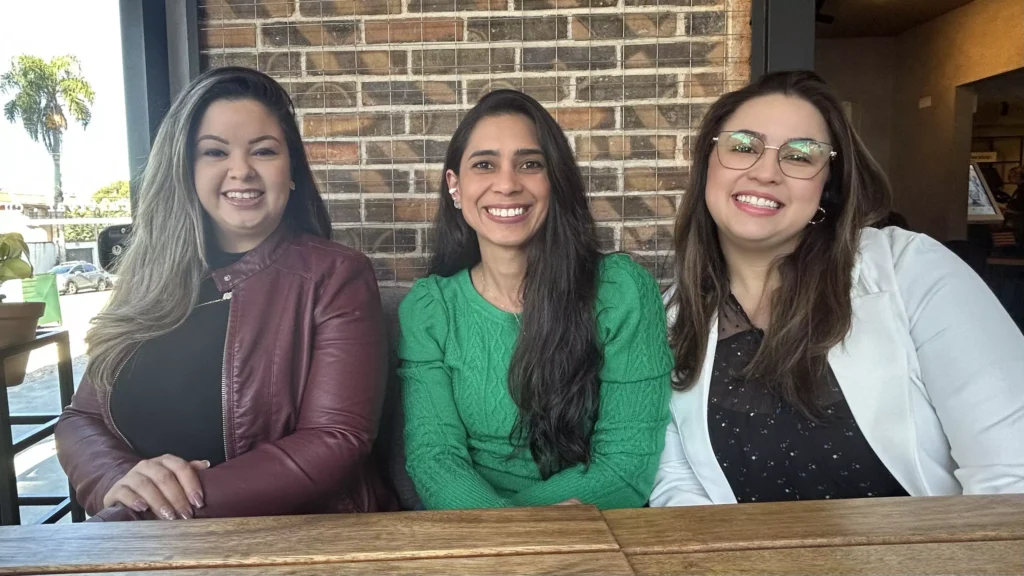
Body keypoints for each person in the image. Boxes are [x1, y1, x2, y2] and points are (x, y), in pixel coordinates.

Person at [652, 71, 1024, 506]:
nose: (766, 171)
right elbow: (679, 481)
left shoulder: (911, 270)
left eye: (801, 156)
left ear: (827, 183)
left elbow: (1011, 478)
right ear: (707, 163)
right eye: (742, 146)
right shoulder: (672, 318)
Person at [55, 67, 395, 521]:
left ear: (290, 169)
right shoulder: (149, 277)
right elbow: (81, 419)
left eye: (264, 151)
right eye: (215, 151)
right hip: (145, 546)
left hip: (293, 542)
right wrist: (119, 481)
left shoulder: (335, 275)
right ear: (185, 169)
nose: (242, 170)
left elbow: (334, 438)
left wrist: (153, 512)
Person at [399, 89, 672, 510]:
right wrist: (509, 533)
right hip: (469, 534)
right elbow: (435, 460)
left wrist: (525, 530)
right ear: (455, 186)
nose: (507, 184)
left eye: (530, 164)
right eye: (484, 165)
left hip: (591, 527)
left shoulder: (620, 291)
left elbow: (626, 466)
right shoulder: (430, 309)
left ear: (555, 181)